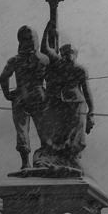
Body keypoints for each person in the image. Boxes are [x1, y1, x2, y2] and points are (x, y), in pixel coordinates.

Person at [39, 23, 94, 170]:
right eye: (65, 53)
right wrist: (47, 29)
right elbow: (45, 49)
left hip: (77, 103)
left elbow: (87, 91)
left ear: (75, 55)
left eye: (71, 53)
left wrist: (92, 112)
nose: (68, 55)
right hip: (61, 103)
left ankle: (72, 158)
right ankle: (61, 159)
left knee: (76, 132)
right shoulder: (58, 63)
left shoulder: (80, 69)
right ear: (62, 54)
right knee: (61, 132)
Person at [0, 26, 49, 170]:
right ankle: (44, 159)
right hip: (39, 96)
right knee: (43, 130)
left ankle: (25, 163)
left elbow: (3, 77)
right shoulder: (44, 59)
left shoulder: (15, 60)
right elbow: (52, 80)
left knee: (22, 131)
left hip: (20, 96)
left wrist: (7, 94)